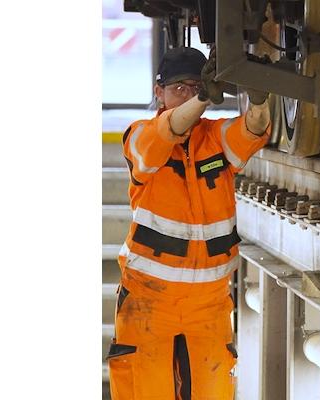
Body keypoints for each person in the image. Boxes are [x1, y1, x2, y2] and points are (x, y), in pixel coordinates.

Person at [108, 47, 271, 399]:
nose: (186, 95)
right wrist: (202, 97)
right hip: (150, 300)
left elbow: (253, 129)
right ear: (159, 92)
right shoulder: (140, 135)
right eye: (178, 88)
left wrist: (259, 97)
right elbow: (167, 131)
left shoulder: (215, 137)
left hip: (209, 304)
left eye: (195, 87)